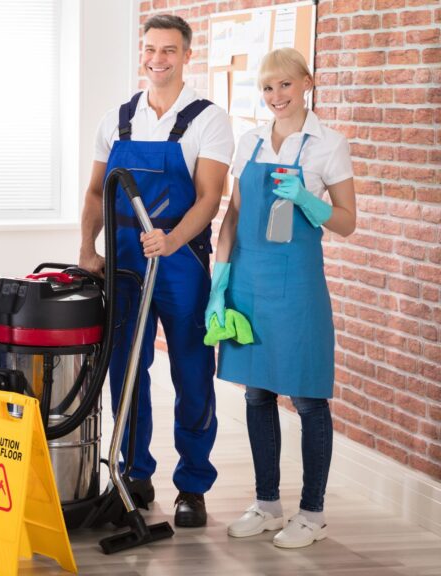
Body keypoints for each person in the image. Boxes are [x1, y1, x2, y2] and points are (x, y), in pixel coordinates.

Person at [78, 14, 234, 527]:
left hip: (181, 262)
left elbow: (210, 198)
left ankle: (192, 485)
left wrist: (170, 241)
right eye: (150, 49)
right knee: (126, 371)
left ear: (187, 55)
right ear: (141, 53)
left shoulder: (208, 118)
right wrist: (87, 247)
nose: (157, 59)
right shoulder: (118, 118)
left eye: (169, 50)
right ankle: (133, 474)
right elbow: (99, 191)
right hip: (124, 265)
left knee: (192, 373)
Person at [210, 48, 356, 548]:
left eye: (285, 86)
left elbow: (347, 222)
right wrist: (220, 279)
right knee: (257, 392)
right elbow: (232, 214)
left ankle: (312, 513)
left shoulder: (327, 145)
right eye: (268, 88)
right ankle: (267, 503)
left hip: (296, 284)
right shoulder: (248, 141)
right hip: (247, 277)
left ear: (307, 84)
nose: (276, 97)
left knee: (308, 397)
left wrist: (308, 200)